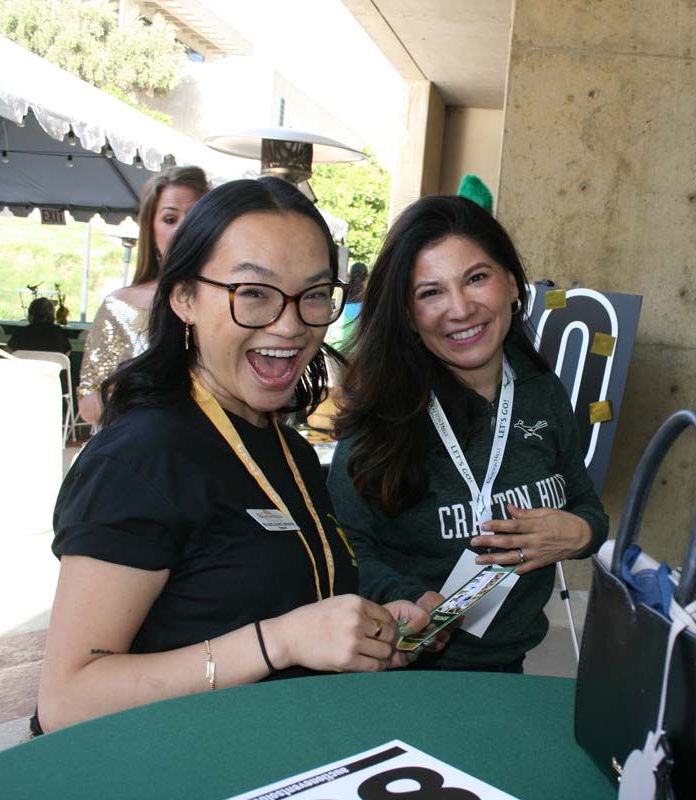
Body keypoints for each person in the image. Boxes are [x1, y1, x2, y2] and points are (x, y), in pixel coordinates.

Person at [35, 178, 433, 734]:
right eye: (253, 292)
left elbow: (272, 593)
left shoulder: (286, 447)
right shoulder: (140, 458)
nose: (290, 324)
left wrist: (363, 628)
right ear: (184, 299)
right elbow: (67, 701)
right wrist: (282, 642)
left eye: (315, 294)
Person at [327, 195, 609, 673]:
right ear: (408, 314)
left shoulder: (542, 391)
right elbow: (342, 548)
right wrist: (406, 596)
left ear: (512, 284)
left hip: (510, 669)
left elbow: (586, 505)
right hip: (402, 675)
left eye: (476, 278)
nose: (460, 309)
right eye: (430, 292)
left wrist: (580, 534)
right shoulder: (382, 415)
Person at [77, 165, 209, 426]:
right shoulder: (120, 306)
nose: (183, 229)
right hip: (141, 455)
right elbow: (88, 403)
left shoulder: (234, 300)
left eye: (194, 216)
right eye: (170, 219)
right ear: (151, 228)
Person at [7, 298, 72, 355]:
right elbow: (66, 353)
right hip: (51, 368)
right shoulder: (59, 332)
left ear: (31, 315)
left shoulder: (21, 332)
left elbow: (7, 353)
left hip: (25, 368)